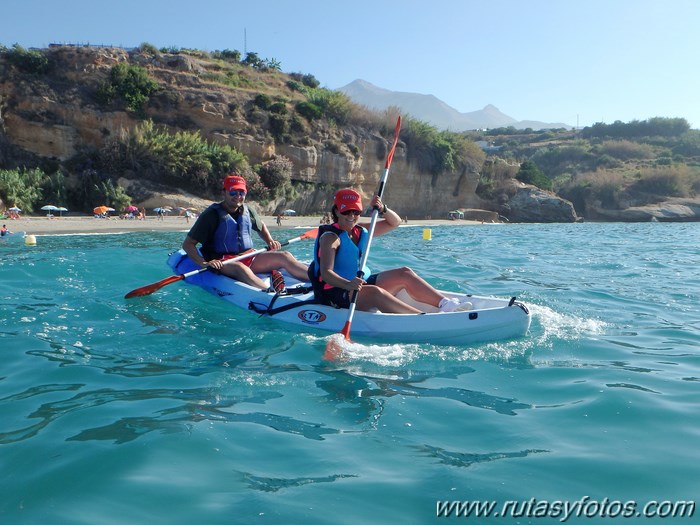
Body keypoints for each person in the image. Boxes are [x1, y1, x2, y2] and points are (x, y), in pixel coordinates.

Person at [308, 188, 472, 314]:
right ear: (336, 211)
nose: (351, 215)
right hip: (336, 291)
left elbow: (395, 222)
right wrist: (348, 284)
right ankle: (421, 317)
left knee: (404, 273)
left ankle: (446, 304)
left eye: (356, 211)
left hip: (357, 283)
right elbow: (326, 272)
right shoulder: (330, 237)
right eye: (346, 211)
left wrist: (383, 209)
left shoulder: (361, 230)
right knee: (374, 293)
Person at [182, 174, 309, 291]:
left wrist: (270, 241)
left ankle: (320, 280)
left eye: (241, 192)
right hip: (222, 261)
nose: (237, 196)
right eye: (232, 192)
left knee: (285, 256)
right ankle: (269, 293)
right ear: (224, 192)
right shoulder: (210, 215)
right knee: (241, 269)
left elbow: (261, 226)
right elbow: (188, 244)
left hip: (248, 256)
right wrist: (204, 263)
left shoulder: (248, 210)